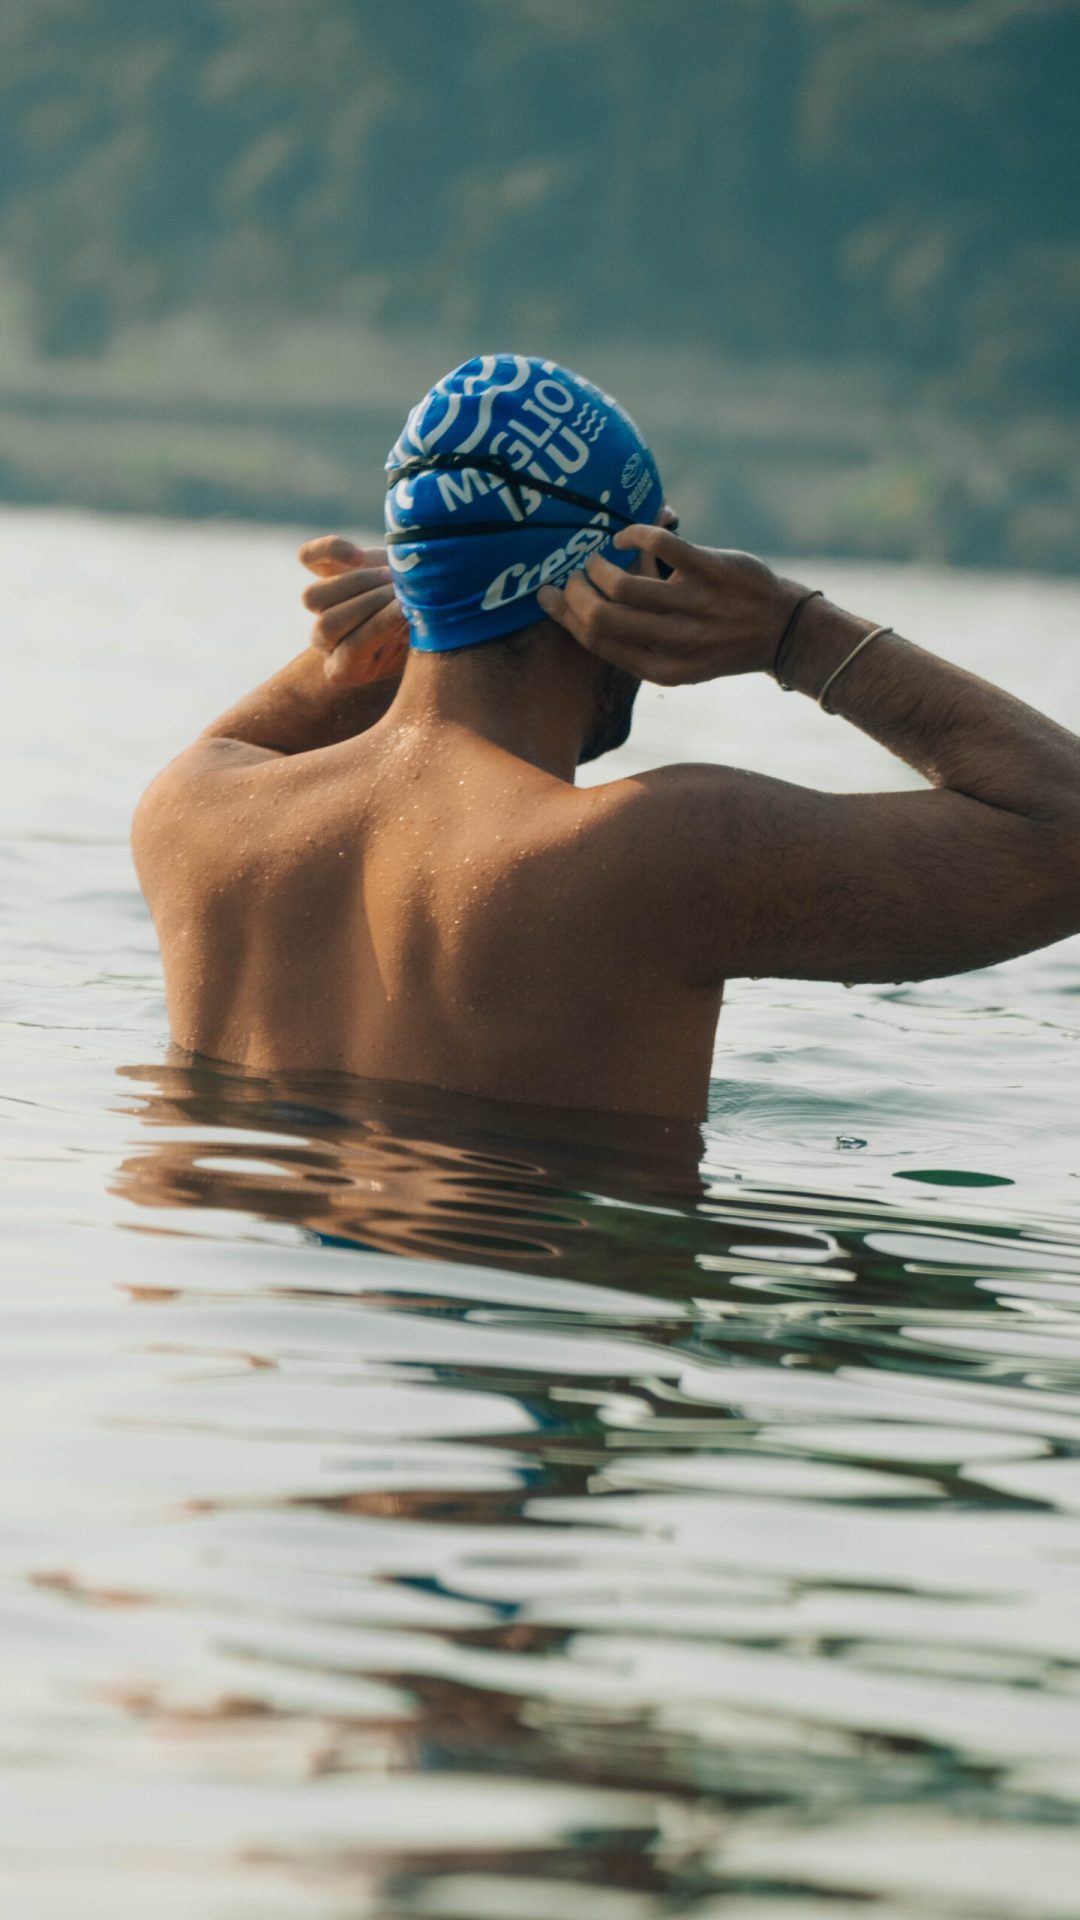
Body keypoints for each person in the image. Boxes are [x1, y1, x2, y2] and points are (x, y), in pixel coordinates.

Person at [132, 353, 1080, 1122]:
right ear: (640, 561)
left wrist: (395, 623)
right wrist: (794, 631)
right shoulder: (652, 855)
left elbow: (250, 736)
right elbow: (1064, 829)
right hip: (552, 1334)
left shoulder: (195, 816)